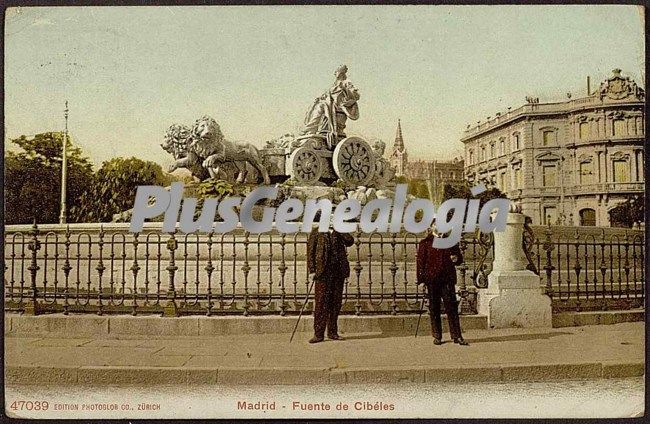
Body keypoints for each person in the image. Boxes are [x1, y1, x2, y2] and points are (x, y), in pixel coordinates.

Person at [416, 227, 469, 346]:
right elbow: (420, 262)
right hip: (432, 280)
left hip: (447, 279)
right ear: (431, 227)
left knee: (451, 307)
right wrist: (422, 280)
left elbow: (459, 259)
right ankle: (437, 335)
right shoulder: (426, 243)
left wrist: (456, 259)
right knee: (434, 308)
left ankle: (457, 336)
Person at [306, 220, 354, 343]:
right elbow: (310, 253)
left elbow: (350, 241)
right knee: (321, 303)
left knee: (335, 303)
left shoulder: (339, 231)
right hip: (322, 273)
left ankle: (333, 332)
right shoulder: (317, 232)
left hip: (338, 272)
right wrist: (312, 271)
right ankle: (318, 334)